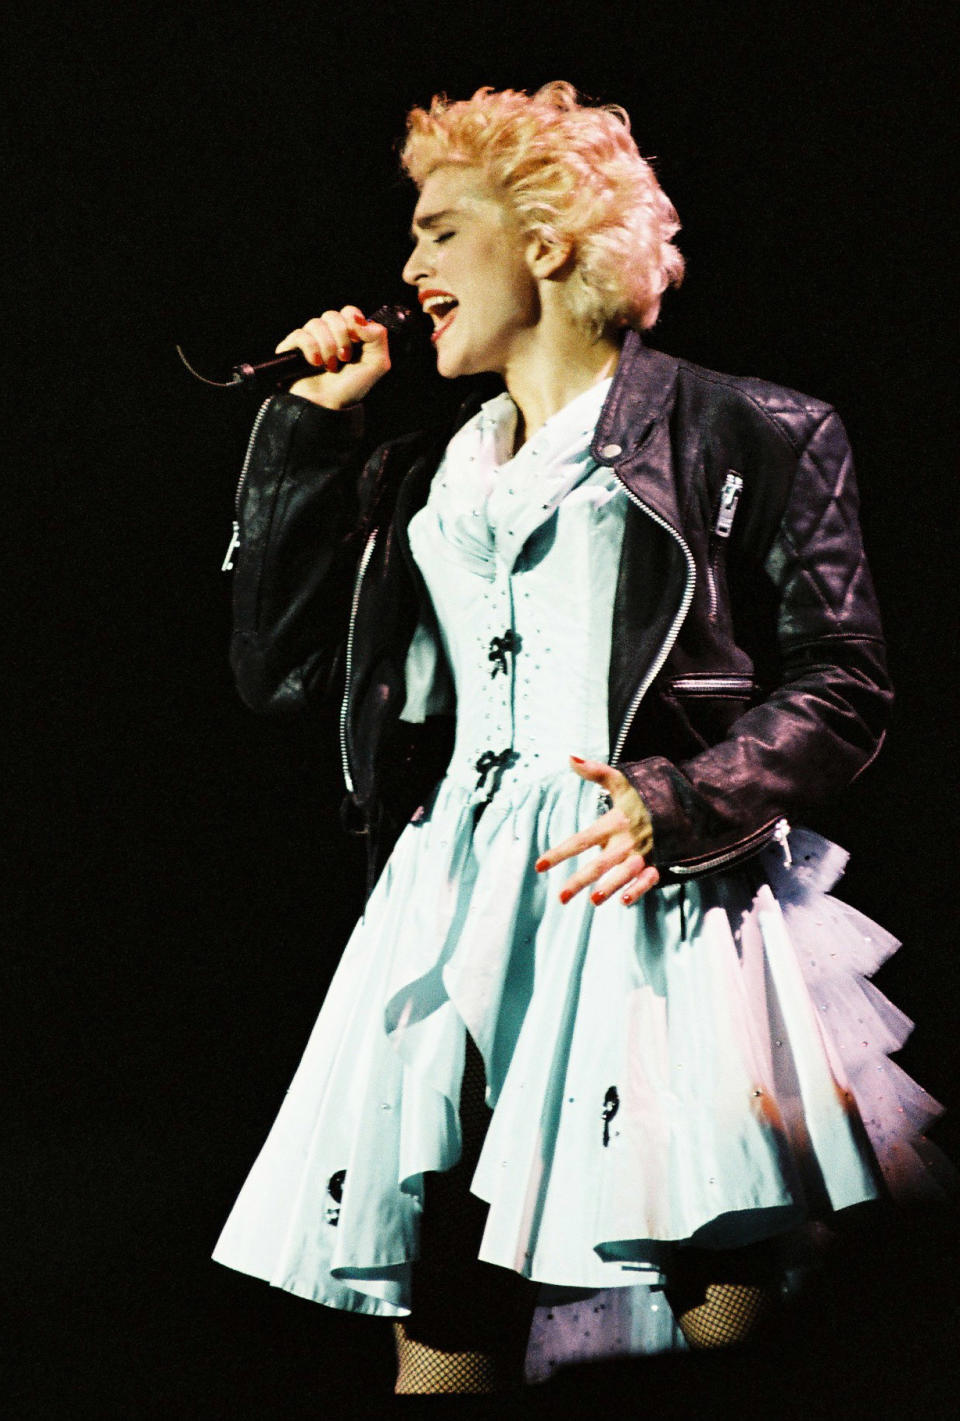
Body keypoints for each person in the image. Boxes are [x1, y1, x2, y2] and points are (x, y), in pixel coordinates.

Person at [212, 83, 946, 1395]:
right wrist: (304, 437)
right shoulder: (416, 473)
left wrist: (683, 799)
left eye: (442, 231)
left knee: (712, 1304)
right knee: (449, 1307)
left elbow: (846, 681)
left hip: (659, 898)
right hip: (454, 917)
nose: (410, 265)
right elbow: (282, 673)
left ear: (545, 239)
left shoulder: (752, 431)